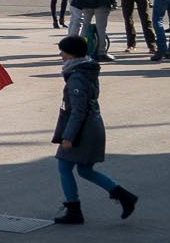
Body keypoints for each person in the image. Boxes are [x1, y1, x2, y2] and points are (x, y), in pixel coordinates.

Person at [51, 33, 137, 223]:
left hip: (83, 130)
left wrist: (68, 137)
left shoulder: (76, 77)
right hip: (93, 126)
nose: (61, 56)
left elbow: (78, 111)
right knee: (84, 170)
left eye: (63, 52)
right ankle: (124, 196)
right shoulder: (86, 69)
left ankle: (74, 210)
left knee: (64, 166)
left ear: (72, 55)